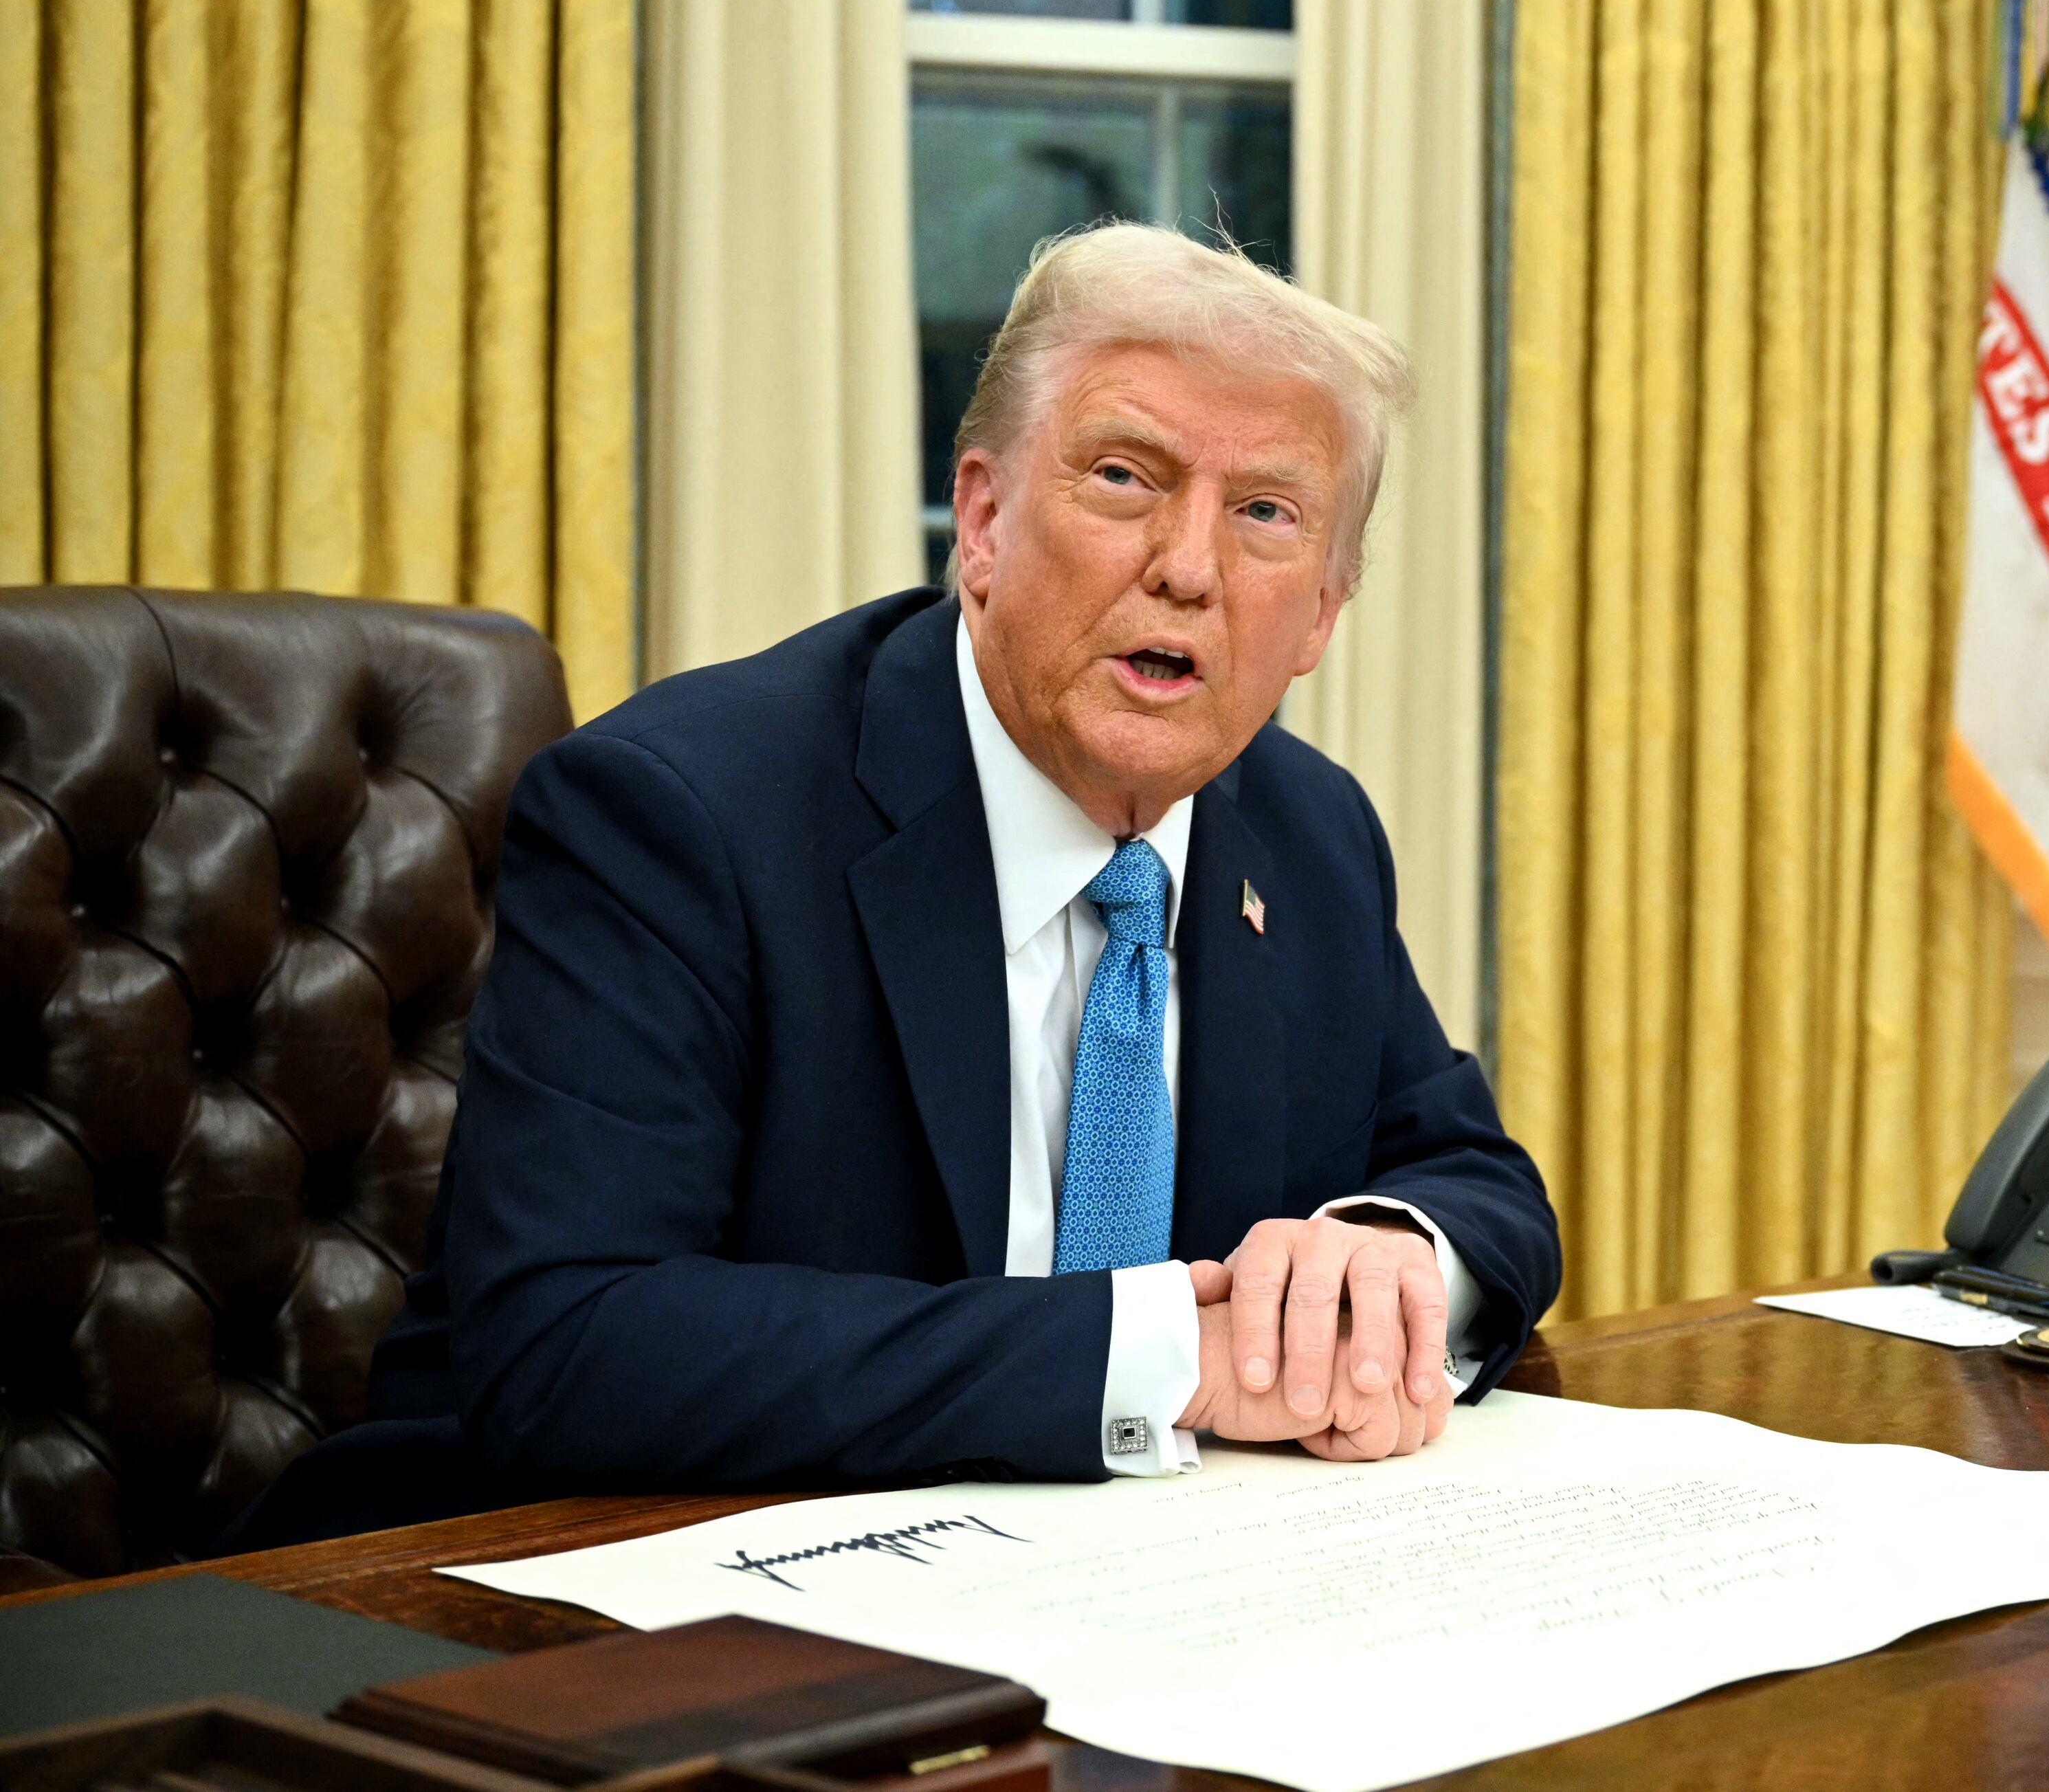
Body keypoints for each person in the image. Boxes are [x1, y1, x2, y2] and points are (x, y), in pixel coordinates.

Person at [240, 224, 1558, 1538]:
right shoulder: (678, 813)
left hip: (1112, 1582)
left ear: (1322, 610)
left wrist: (1391, 1255)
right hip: (535, 1577)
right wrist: (1159, 1357)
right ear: (982, 520)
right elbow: (570, 1338)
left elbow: (1477, 1177)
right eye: (1123, 476)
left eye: (1266, 512)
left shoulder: (1306, 833)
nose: (1189, 567)